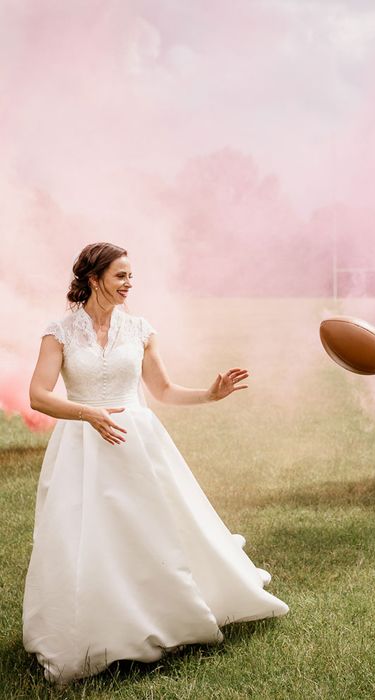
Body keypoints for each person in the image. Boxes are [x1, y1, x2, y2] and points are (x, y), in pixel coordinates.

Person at [24, 242, 288, 684]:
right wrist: (88, 412)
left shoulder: (141, 330)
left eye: (131, 276)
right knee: (86, 539)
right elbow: (39, 395)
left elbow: (162, 391)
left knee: (151, 532)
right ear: (94, 280)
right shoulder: (59, 332)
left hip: (138, 444)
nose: (130, 284)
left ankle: (165, 615)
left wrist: (210, 393)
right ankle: (93, 631)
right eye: (121, 276)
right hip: (81, 447)